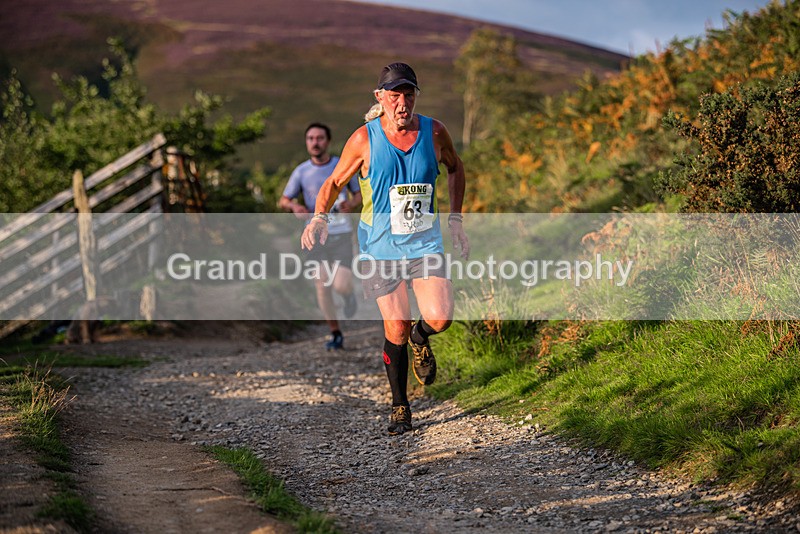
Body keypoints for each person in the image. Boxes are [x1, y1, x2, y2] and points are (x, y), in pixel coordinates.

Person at [301, 63, 470, 435]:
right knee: (396, 325)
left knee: (440, 317)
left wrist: (455, 220)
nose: (402, 102)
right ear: (380, 98)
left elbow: (457, 169)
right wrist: (319, 218)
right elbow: (333, 181)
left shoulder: (435, 131)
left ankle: (421, 337)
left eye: (409, 94)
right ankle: (400, 405)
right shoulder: (363, 139)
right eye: (394, 94)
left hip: (425, 242)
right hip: (380, 247)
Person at [279, 122, 362, 350]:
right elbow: (284, 199)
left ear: (328, 141)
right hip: (315, 236)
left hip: (340, 234)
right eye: (311, 139)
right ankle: (335, 332)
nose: (315, 142)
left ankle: (348, 296)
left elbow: (359, 195)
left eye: (320, 138)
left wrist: (350, 204)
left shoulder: (341, 165)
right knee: (322, 284)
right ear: (307, 143)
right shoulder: (302, 171)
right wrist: (295, 208)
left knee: (340, 285)